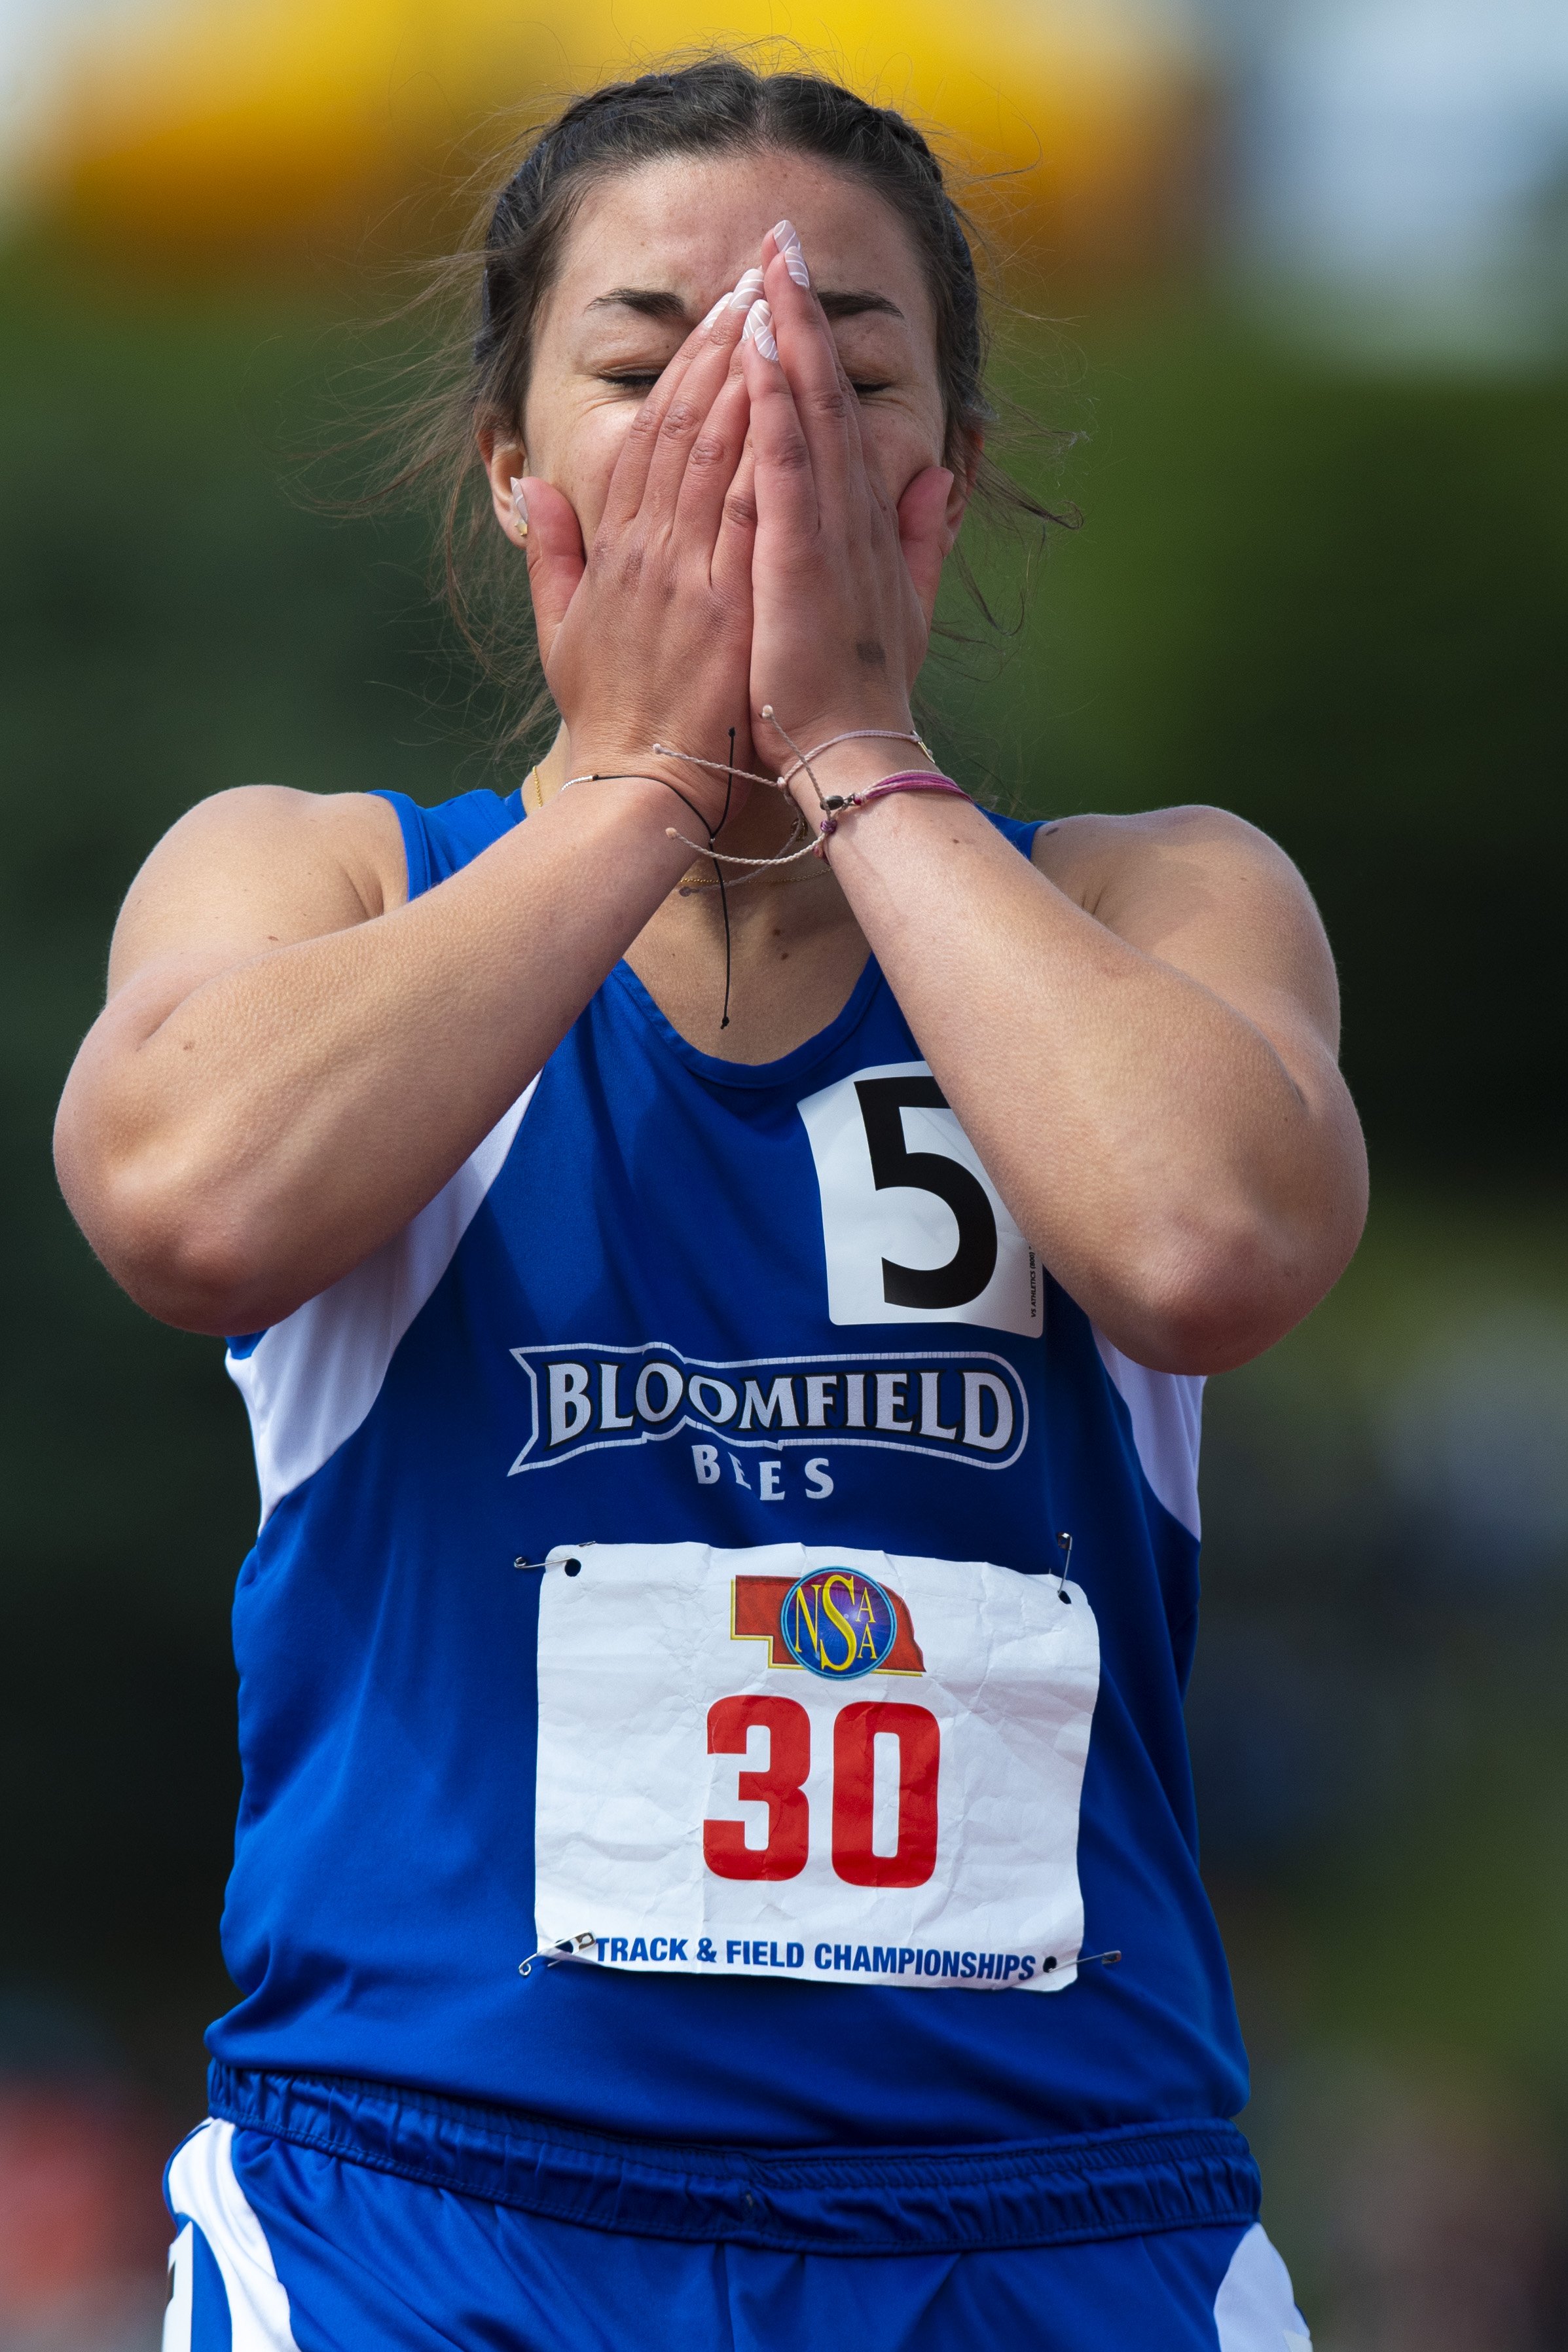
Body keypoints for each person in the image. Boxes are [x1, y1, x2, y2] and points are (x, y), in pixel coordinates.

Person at [54, 58, 1366, 2352]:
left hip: (1054, 2228)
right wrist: (651, 779)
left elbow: (1209, 1245)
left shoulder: (1159, 901)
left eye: (844, 370)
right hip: (425, 2220)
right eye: (656, 368)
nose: (755, 431)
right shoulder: (319, 874)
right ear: (512, 463)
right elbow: (185, 1201)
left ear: (938, 482)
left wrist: (852, 755)